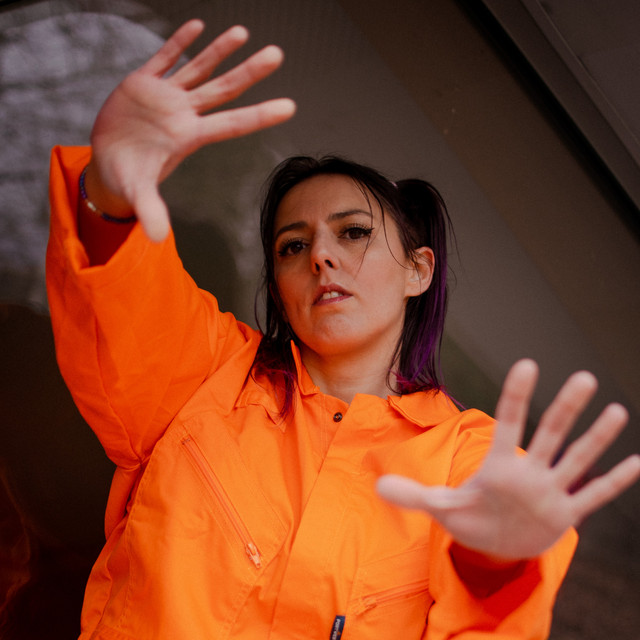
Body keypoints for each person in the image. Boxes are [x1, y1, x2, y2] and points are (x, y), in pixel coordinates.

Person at [46, 20, 640, 640]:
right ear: (279, 287)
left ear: (418, 271)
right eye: (292, 246)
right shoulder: (207, 376)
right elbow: (120, 300)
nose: (321, 257)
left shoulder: (469, 459)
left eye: (353, 232)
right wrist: (109, 191)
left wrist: (493, 569)